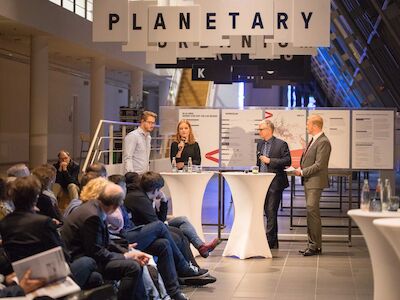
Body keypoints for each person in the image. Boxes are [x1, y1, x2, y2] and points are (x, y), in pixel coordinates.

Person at [0, 176, 102, 289]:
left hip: (22, 276)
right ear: (35, 197)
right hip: (47, 275)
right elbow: (63, 255)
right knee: (89, 261)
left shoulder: (4, 223)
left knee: (94, 277)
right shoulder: (43, 222)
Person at [61, 182, 150, 300]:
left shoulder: (93, 207)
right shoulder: (94, 217)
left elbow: (105, 241)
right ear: (115, 206)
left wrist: (126, 251)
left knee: (135, 263)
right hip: (82, 261)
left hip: (87, 255)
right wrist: (126, 256)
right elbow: (96, 252)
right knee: (132, 267)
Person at [125, 171, 219, 258]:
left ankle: (201, 246)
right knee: (180, 234)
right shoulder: (142, 200)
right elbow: (157, 223)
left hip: (157, 224)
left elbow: (161, 219)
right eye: (159, 190)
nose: (160, 193)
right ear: (154, 190)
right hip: (151, 227)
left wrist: (164, 201)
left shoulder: (147, 198)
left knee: (182, 220)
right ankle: (190, 262)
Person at [294, 114, 331, 256]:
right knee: (310, 212)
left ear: (315, 125)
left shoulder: (323, 141)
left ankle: (315, 245)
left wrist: (302, 172)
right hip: (310, 181)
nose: (306, 126)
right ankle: (312, 244)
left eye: (308, 123)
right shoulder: (315, 140)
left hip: (315, 181)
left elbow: (320, 165)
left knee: (312, 212)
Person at [257, 119, 291, 249]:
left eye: (261, 129)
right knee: (267, 211)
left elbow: (287, 161)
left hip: (275, 183)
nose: (259, 131)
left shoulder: (281, 144)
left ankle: (269, 241)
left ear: (269, 130)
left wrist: (270, 161)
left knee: (271, 211)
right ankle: (273, 241)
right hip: (261, 182)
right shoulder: (260, 144)